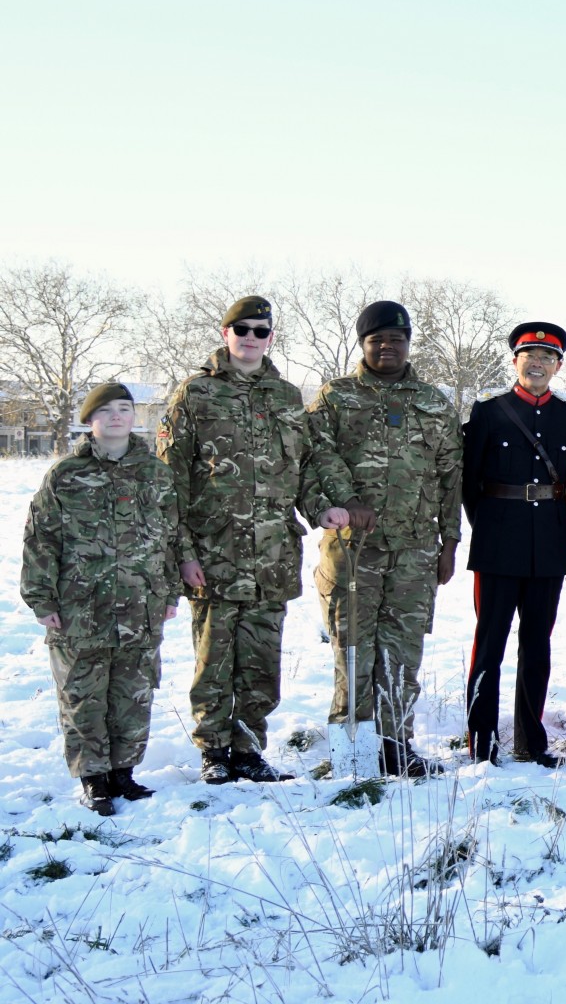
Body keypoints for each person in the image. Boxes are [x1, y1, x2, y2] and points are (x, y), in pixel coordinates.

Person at [156, 295, 344, 786]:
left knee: (261, 660)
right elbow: (168, 480)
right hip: (216, 553)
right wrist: (183, 552)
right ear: (226, 333)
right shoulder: (195, 395)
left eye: (261, 331)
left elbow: (300, 467)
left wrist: (319, 507)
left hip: (274, 555)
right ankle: (214, 751)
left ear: (271, 337)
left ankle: (248, 748)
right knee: (214, 659)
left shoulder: (285, 397)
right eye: (242, 329)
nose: (251, 338)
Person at [304, 301, 462, 778]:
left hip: (414, 551)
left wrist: (450, 542)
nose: (388, 347)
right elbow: (314, 456)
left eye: (397, 339)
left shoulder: (433, 402)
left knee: (402, 651)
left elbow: (451, 474)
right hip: (352, 551)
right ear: (363, 345)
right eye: (378, 340)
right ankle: (352, 752)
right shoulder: (337, 397)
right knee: (353, 650)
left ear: (409, 343)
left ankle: (397, 746)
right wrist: (347, 499)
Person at [22, 384, 181, 814]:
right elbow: (41, 540)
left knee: (133, 693)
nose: (116, 417)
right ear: (89, 420)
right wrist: (43, 600)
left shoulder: (156, 474)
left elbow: (172, 538)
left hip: (140, 605)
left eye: (125, 409)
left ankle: (123, 773)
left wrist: (170, 592)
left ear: (136, 417)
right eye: (106, 410)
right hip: (80, 608)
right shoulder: (65, 475)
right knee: (83, 695)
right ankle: (93, 777)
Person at [460, 323, 566, 767]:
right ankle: (483, 743)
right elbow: (469, 483)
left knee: (538, 645)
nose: (537, 364)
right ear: (514, 361)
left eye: (547, 358)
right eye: (529, 356)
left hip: (548, 544)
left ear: (558, 366)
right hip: (497, 542)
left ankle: (532, 742)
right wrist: (491, 524)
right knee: (489, 646)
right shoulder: (489, 412)